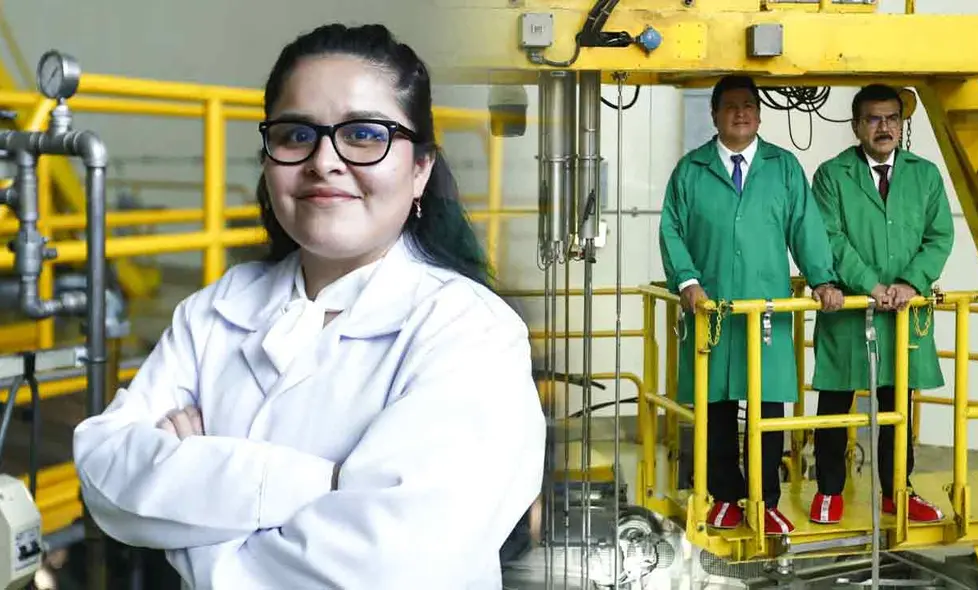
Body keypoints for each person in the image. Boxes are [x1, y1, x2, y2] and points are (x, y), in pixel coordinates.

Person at [72, 23, 546, 589]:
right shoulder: (216, 310)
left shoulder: (472, 333)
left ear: (420, 169)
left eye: (364, 134)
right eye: (297, 134)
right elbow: (104, 474)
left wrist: (194, 517)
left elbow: (392, 569)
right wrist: (325, 483)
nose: (324, 161)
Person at [659, 75, 844, 536]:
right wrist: (687, 280)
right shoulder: (691, 170)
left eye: (748, 106)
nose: (740, 113)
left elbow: (805, 227)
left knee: (767, 407)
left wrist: (822, 278)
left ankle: (765, 499)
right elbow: (671, 230)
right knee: (716, 404)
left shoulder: (783, 168)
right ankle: (725, 497)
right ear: (715, 115)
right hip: (713, 310)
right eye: (730, 106)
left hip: (767, 311)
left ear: (759, 115)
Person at [809, 84, 954, 525]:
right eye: (873, 119)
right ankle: (828, 491)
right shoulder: (832, 175)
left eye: (892, 118)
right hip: (850, 310)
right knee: (835, 404)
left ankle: (897, 491)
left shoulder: (925, 176)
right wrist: (871, 285)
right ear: (857, 126)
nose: (884, 127)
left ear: (902, 124)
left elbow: (939, 236)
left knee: (898, 405)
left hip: (903, 313)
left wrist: (910, 283)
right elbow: (830, 238)